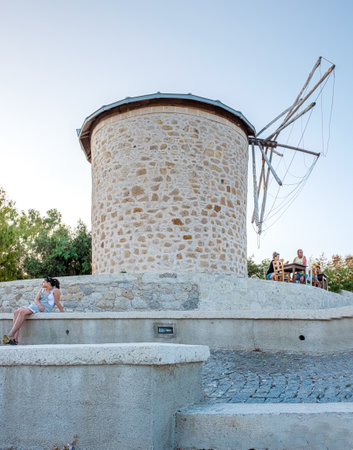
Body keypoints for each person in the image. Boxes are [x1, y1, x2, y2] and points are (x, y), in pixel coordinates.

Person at [3, 277, 64, 345]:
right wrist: (39, 305)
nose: (42, 283)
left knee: (22, 312)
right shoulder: (42, 289)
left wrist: (63, 313)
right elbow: (36, 299)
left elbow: (57, 302)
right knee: (16, 312)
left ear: (48, 283)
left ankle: (11, 333)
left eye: (44, 282)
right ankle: (15, 339)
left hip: (45, 308)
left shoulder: (55, 290)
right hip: (38, 305)